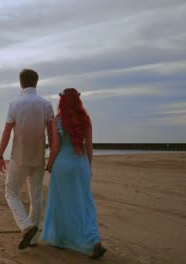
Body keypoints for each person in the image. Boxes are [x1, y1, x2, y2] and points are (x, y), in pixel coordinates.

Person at [42, 88, 107, 259]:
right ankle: (94, 239)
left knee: (61, 203)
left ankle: (60, 239)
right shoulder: (85, 120)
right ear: (79, 101)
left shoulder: (58, 120)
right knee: (85, 204)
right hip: (80, 164)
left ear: (62, 102)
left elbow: (55, 147)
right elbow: (89, 147)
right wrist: (88, 167)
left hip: (62, 166)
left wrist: (49, 165)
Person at [0, 69, 54, 250]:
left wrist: (0, 155)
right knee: (35, 196)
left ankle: (26, 226)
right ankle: (33, 239)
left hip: (19, 157)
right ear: (36, 82)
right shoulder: (46, 104)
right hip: (38, 156)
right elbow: (52, 134)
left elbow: (7, 132)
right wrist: (53, 156)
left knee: (11, 192)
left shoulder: (15, 104)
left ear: (21, 83)